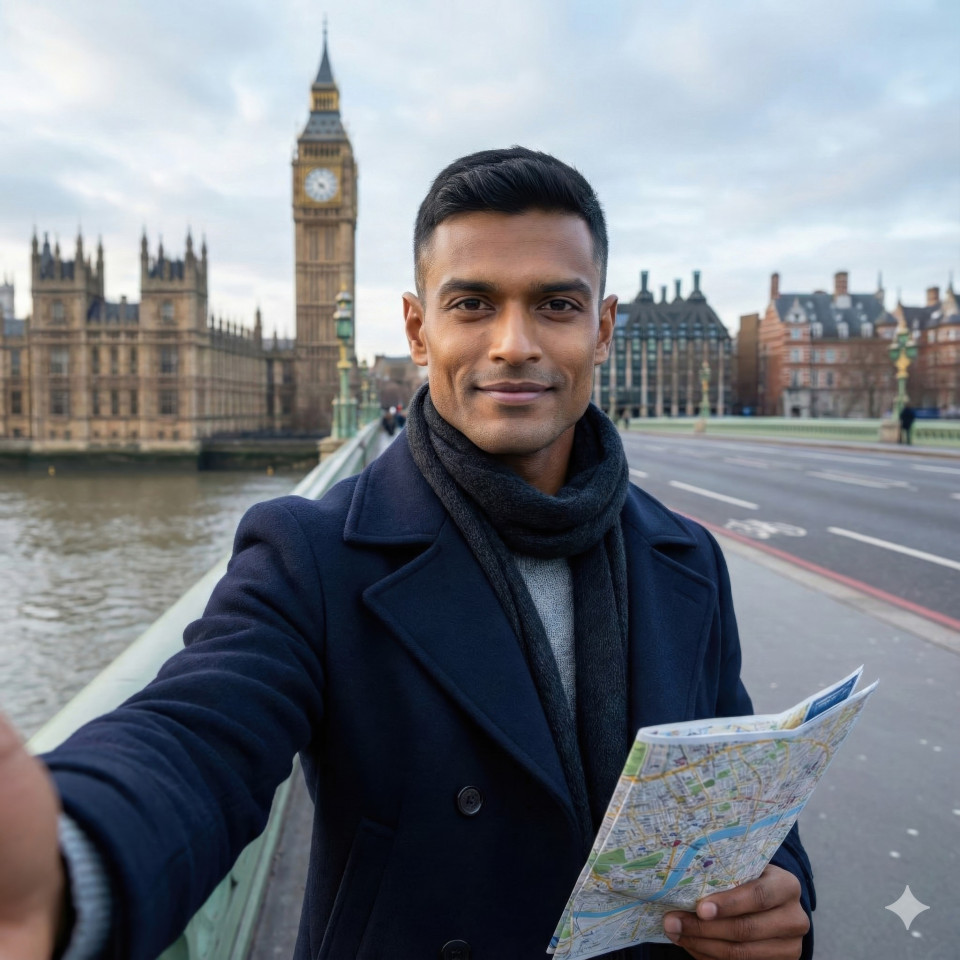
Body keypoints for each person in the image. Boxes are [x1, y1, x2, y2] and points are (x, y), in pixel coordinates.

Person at [0, 147, 814, 960]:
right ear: (419, 331)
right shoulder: (312, 557)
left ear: (601, 331)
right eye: (473, 304)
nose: (513, 344)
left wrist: (780, 898)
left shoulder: (686, 559)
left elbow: (742, 802)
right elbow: (197, 733)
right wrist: (71, 860)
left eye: (556, 305)